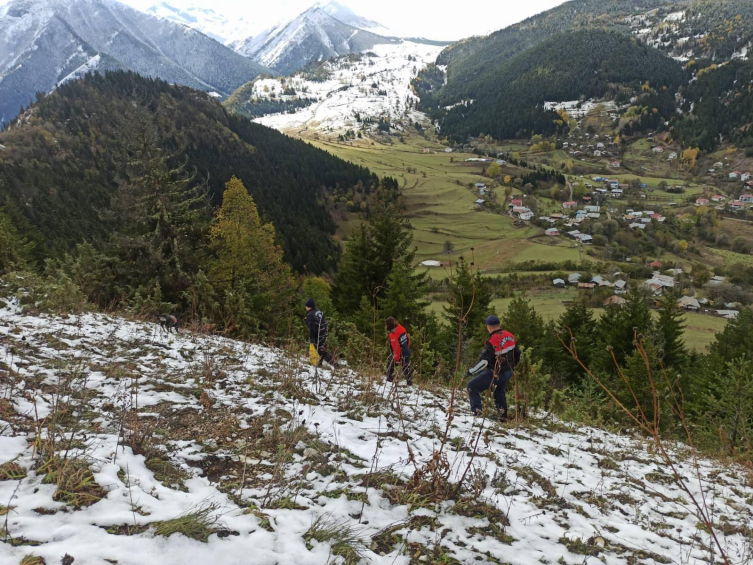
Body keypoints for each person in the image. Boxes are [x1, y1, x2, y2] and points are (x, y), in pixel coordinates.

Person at [466, 315, 520, 421]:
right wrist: (512, 367)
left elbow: (484, 361)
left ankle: (477, 414)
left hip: (496, 372)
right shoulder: (510, 335)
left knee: (472, 386)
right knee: (498, 390)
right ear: (499, 325)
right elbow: (518, 353)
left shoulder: (492, 340)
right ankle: (502, 417)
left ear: (488, 327)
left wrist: (471, 371)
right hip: (508, 372)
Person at [304, 298, 334, 368]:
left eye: (306, 306)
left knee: (321, 351)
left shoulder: (310, 315)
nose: (305, 307)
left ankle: (335, 365)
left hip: (318, 335)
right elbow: (319, 323)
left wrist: (312, 339)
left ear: (309, 306)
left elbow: (312, 328)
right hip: (323, 333)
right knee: (322, 350)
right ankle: (319, 364)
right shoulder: (318, 312)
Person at [385, 317, 413, 386]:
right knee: (406, 368)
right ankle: (409, 383)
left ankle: (389, 380)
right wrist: (407, 348)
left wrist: (397, 359)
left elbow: (396, 348)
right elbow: (408, 340)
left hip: (400, 353)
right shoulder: (402, 329)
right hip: (407, 351)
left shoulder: (393, 335)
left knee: (390, 365)